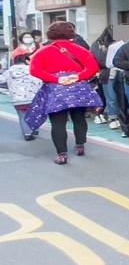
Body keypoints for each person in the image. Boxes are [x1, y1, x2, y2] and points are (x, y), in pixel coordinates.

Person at [28, 21, 102, 164]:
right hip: (78, 88)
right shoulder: (81, 50)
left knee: (58, 123)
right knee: (79, 118)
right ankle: (80, 145)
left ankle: (62, 154)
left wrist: (55, 79)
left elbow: (34, 70)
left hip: (55, 89)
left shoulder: (43, 51)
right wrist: (78, 76)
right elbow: (93, 67)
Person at [7, 52, 41, 140]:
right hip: (32, 98)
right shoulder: (32, 70)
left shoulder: (9, 71)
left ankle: (27, 134)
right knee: (34, 114)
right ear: (26, 61)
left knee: (22, 116)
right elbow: (39, 82)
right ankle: (35, 129)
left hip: (17, 99)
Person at [90, 26, 116, 125]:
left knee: (112, 98)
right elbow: (99, 60)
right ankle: (105, 115)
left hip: (109, 73)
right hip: (103, 74)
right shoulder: (98, 45)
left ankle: (113, 116)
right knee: (107, 97)